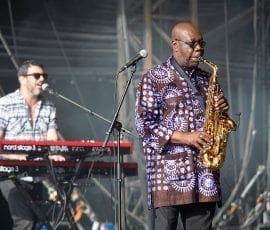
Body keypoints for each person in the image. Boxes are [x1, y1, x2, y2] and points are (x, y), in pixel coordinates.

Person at [135, 21, 231, 230]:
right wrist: (187, 137)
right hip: (167, 176)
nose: (199, 49)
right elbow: (144, 125)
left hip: (204, 174)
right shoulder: (153, 79)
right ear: (175, 44)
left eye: (201, 43)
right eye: (193, 44)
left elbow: (220, 120)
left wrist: (223, 109)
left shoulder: (207, 79)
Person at [0, 59, 65, 229]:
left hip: (38, 174)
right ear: (22, 78)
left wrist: (55, 153)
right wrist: (14, 155)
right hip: (11, 173)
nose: (42, 79)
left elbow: (52, 140)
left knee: (38, 222)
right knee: (25, 222)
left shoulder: (49, 107)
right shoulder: (5, 104)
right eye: (37, 75)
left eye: (44, 75)